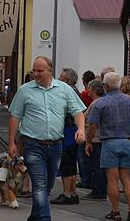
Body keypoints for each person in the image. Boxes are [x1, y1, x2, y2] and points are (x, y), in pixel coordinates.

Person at [8, 56, 85, 221]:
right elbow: (15, 117)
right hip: (33, 144)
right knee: (39, 185)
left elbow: (78, 112)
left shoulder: (64, 89)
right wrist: (12, 142)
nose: (36, 74)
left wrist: (81, 129)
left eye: (40, 71)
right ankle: (44, 218)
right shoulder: (24, 90)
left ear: (50, 71)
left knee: (47, 186)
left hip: (56, 145)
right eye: (34, 71)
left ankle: (35, 217)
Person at [85, 72, 130, 221]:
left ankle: (116, 211)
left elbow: (92, 125)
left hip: (109, 142)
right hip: (126, 141)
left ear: (105, 86)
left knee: (112, 179)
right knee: (127, 177)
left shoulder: (101, 103)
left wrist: (89, 141)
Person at [51, 67, 83, 205]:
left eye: (60, 77)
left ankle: (67, 193)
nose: (57, 79)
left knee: (66, 162)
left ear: (67, 80)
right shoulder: (75, 91)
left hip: (68, 130)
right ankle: (73, 192)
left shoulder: (67, 91)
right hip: (73, 130)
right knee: (71, 162)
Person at [82, 79, 106, 200]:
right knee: (99, 166)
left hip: (96, 139)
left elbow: (91, 123)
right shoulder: (102, 102)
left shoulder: (96, 104)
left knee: (97, 167)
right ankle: (100, 190)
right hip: (101, 139)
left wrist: (88, 141)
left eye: (89, 89)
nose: (88, 92)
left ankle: (98, 191)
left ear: (95, 90)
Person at [77, 69, 96, 190]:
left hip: (86, 127)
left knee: (83, 157)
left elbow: (81, 112)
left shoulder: (84, 95)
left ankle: (85, 180)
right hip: (94, 129)